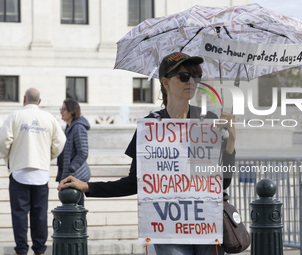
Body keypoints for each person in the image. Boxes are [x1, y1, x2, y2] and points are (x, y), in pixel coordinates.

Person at [58, 52, 236, 255]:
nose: (191, 82)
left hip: (206, 225)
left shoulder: (208, 121)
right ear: (165, 82)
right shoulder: (151, 127)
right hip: (168, 228)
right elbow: (135, 182)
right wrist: (88, 186)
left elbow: (222, 182)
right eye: (184, 77)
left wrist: (230, 140)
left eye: (196, 77)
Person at [0, 88, 66, 255]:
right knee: (40, 214)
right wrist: (47, 156)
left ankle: (21, 249)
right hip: (41, 173)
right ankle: (39, 249)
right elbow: (60, 141)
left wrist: (9, 157)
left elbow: (4, 140)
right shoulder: (49, 118)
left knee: (19, 214)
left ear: (24, 99)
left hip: (19, 171)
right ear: (40, 101)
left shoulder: (14, 116)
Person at [56, 98, 91, 206]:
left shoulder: (78, 127)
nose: (61, 111)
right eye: (61, 109)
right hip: (70, 176)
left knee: (76, 210)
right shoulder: (70, 127)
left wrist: (71, 168)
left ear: (72, 111)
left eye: (63, 109)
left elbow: (83, 152)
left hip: (76, 176)